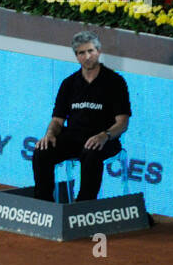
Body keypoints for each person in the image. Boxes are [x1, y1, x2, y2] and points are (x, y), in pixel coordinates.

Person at [32, 31, 131, 202]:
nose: (87, 57)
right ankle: (44, 204)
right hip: (73, 137)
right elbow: (57, 120)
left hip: (104, 140)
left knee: (91, 152)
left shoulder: (115, 82)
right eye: (81, 53)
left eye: (91, 51)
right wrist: (49, 134)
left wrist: (104, 136)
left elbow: (122, 123)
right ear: (76, 56)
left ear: (98, 52)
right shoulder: (69, 83)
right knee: (42, 150)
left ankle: (84, 206)